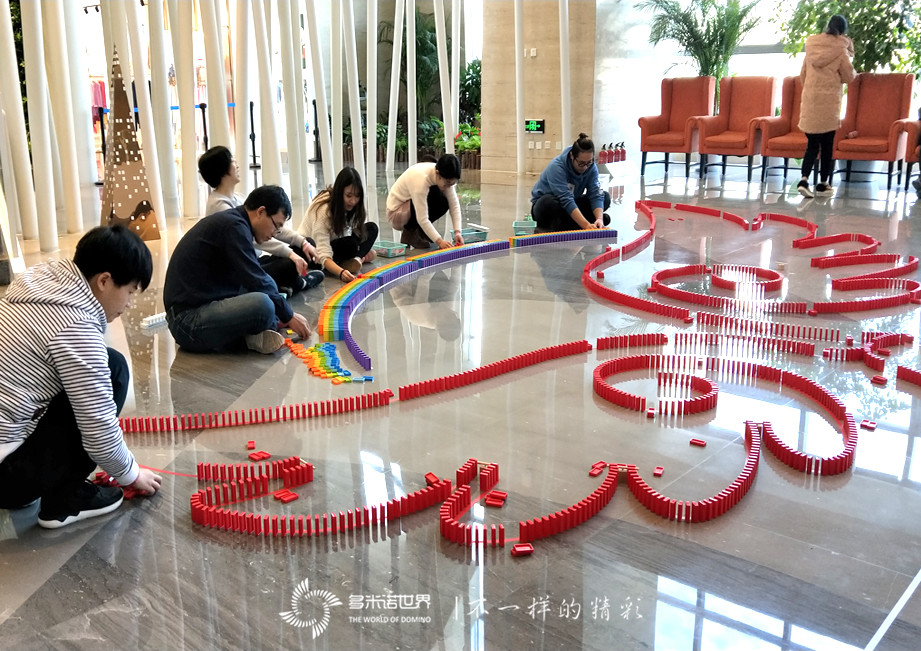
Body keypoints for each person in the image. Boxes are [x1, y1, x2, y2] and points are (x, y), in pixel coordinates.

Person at [0, 226, 162, 529]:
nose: (129, 304)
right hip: (6, 478)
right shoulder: (74, 328)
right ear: (104, 281)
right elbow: (98, 430)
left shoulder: (40, 282)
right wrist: (131, 474)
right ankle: (66, 500)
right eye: (129, 292)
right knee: (114, 370)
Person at [164, 185, 312, 354]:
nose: (274, 233)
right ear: (261, 212)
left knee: (267, 298)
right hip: (186, 323)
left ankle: (255, 333)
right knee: (264, 304)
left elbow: (253, 278)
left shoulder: (236, 223)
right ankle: (249, 337)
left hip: (205, 305)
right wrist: (288, 315)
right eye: (275, 226)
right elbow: (255, 278)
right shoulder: (234, 227)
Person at [198, 146, 323, 294]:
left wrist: (302, 242)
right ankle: (298, 284)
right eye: (232, 160)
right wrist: (290, 253)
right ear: (222, 169)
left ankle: (285, 286)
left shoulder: (238, 198)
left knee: (305, 244)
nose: (236, 164)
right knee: (289, 263)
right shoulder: (219, 206)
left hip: (255, 260)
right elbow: (253, 240)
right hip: (241, 271)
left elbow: (272, 227)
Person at [796, 14, 856, 199]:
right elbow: (848, 76)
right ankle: (823, 184)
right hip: (829, 103)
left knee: (812, 145)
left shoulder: (811, 46)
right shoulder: (841, 49)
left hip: (811, 101)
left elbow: (803, 74)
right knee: (827, 145)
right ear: (843, 31)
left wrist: (811, 90)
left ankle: (804, 180)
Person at [299, 167, 380, 284]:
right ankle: (347, 262)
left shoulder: (351, 207)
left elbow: (351, 231)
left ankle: (356, 259)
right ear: (339, 192)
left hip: (335, 243)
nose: (353, 201)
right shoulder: (324, 210)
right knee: (351, 245)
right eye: (349, 195)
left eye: (357, 196)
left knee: (372, 228)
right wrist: (341, 272)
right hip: (313, 252)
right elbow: (322, 253)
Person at [531, 133, 611, 232]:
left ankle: (569, 224)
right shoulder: (556, 167)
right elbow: (566, 199)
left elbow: (595, 193)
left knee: (605, 197)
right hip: (549, 206)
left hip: (571, 203)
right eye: (581, 163)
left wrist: (599, 219)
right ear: (572, 156)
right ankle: (580, 222)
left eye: (589, 162)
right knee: (548, 203)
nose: (585, 167)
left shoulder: (591, 167)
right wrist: (586, 225)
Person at [386, 153, 465, 250]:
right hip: (396, 214)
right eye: (447, 183)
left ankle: (420, 231)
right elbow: (422, 218)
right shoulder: (421, 180)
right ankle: (410, 232)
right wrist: (439, 241)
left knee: (444, 200)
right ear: (437, 173)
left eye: (452, 184)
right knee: (435, 194)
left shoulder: (443, 176)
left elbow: (454, 205)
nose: (449, 186)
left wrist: (457, 232)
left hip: (409, 208)